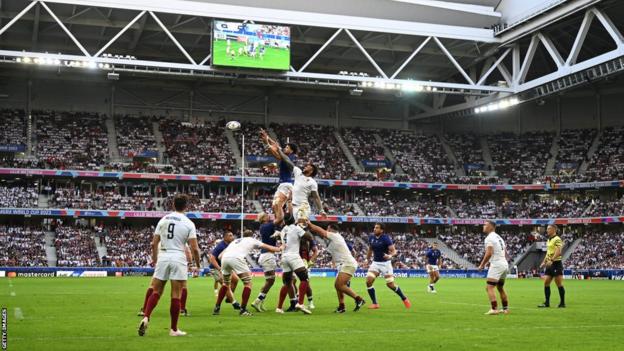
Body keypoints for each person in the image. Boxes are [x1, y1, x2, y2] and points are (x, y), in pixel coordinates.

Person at [138, 194, 201, 337]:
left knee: (156, 291)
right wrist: (197, 265)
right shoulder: (189, 223)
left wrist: (155, 259)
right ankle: (173, 329)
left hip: (163, 256)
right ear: (186, 206)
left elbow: (154, 243)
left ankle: (146, 316)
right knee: (176, 294)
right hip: (178, 256)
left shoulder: (163, 219)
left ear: (173, 205)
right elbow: (194, 248)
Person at [214, 229, 281, 316]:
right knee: (248, 283)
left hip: (225, 259)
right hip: (237, 258)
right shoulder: (252, 240)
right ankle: (243, 310)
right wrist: (281, 248)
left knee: (225, 284)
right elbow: (270, 248)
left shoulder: (235, 241)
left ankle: (217, 307)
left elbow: (219, 256)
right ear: (252, 235)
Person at [306, 220, 366, 313]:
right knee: (339, 286)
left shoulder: (335, 236)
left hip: (347, 263)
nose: (326, 230)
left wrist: (310, 224)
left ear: (330, 229)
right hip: (343, 264)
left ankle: (359, 299)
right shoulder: (334, 239)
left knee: (339, 285)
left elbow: (321, 231)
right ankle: (342, 306)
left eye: (328, 228)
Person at [273, 142, 326, 221]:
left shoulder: (312, 182)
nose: (305, 166)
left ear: (311, 171)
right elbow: (287, 161)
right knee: (297, 229)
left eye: (308, 166)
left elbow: (316, 197)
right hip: (294, 207)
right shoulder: (298, 172)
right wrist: (279, 150)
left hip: (303, 207)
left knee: (301, 227)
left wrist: (321, 210)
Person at [366, 223, 411, 309]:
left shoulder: (386, 238)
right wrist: (367, 259)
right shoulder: (371, 237)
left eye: (377, 228)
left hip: (385, 264)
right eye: (374, 227)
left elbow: (394, 251)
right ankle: (375, 303)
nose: (374, 229)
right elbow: (370, 249)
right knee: (368, 281)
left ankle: (404, 298)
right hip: (375, 263)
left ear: (381, 230)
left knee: (390, 285)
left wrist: (390, 256)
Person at [275, 216, 314, 314]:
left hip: (284, 257)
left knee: (287, 283)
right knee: (304, 279)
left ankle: (279, 308)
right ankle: (300, 303)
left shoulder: (284, 229)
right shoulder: (296, 228)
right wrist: (306, 227)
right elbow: (310, 237)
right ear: (294, 221)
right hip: (294, 256)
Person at [260, 128, 298, 225]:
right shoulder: (284, 156)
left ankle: (276, 223)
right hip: (282, 185)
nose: (285, 148)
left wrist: (267, 143)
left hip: (287, 185)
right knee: (274, 206)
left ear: (292, 151)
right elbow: (276, 148)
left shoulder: (289, 157)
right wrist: (267, 139)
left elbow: (276, 151)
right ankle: (283, 224)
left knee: (278, 204)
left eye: (287, 148)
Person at [478, 220, 510, 315]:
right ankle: (505, 309)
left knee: (489, 287)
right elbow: (505, 251)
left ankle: (494, 309)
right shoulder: (499, 237)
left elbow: (489, 253)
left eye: (485, 225)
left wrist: (482, 265)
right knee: (500, 287)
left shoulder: (489, 238)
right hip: (504, 263)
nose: (483, 226)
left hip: (497, 264)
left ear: (491, 227)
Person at [251, 213, 280, 312]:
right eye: (267, 215)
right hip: (267, 255)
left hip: (265, 255)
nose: (269, 216)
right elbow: (279, 218)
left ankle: (260, 302)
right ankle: (257, 301)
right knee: (270, 281)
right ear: (263, 218)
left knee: (268, 281)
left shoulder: (263, 227)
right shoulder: (267, 225)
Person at [209, 231, 241, 312]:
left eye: (232, 235)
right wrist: (219, 268)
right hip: (216, 268)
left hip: (225, 268)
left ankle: (228, 298)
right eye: (230, 235)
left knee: (235, 280)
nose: (232, 237)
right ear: (225, 237)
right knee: (225, 285)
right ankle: (234, 303)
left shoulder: (230, 245)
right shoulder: (221, 246)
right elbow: (212, 258)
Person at [538, 224, 566, 308]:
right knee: (546, 282)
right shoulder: (548, 240)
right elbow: (548, 253)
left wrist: (552, 260)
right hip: (549, 264)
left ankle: (562, 303)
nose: (547, 230)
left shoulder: (557, 239)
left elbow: (558, 251)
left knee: (559, 284)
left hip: (556, 263)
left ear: (554, 230)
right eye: (547, 229)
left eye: (549, 229)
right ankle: (547, 303)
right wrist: (544, 262)